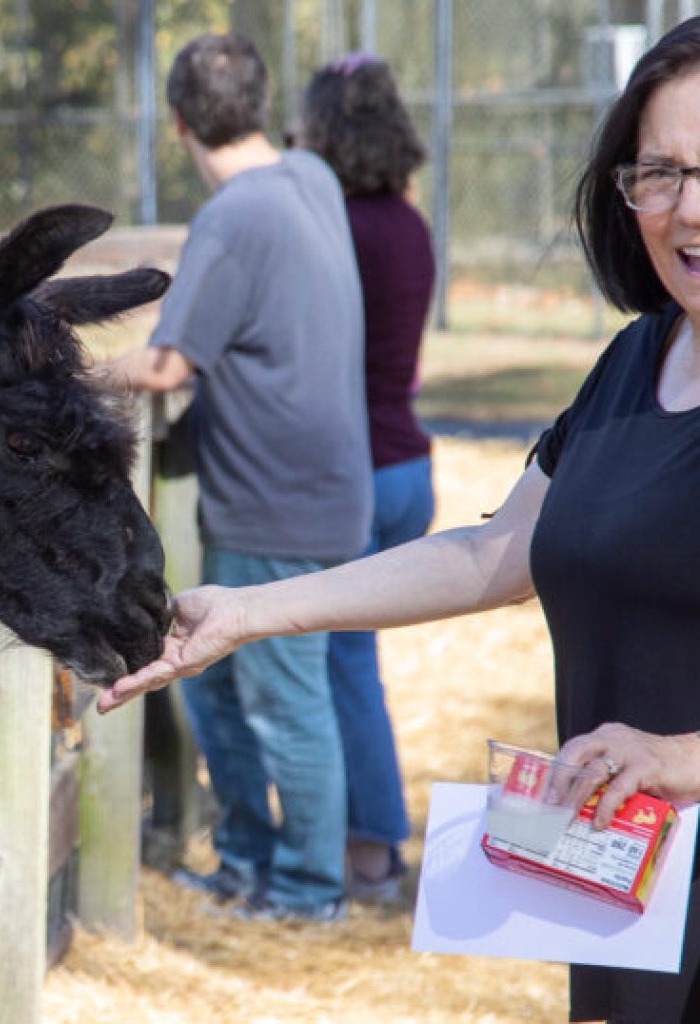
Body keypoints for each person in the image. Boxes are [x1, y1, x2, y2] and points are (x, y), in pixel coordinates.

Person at [101, 17, 700, 1021]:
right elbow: (490, 553)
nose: (687, 208)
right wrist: (248, 611)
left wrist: (682, 755)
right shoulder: (635, 363)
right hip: (628, 893)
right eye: (660, 173)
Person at [103, 32, 374, 922]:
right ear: (261, 107)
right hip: (324, 487)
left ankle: (304, 895)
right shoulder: (311, 178)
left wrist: (74, 375)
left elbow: (168, 366)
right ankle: (251, 864)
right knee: (232, 688)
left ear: (176, 121)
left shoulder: (233, 216)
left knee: (282, 704)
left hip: (270, 503)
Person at [301, 52, 436, 900]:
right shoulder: (412, 226)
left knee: (342, 665)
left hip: (362, 471)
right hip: (410, 464)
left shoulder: (338, 231)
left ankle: (372, 854)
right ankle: (371, 843)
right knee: (354, 662)